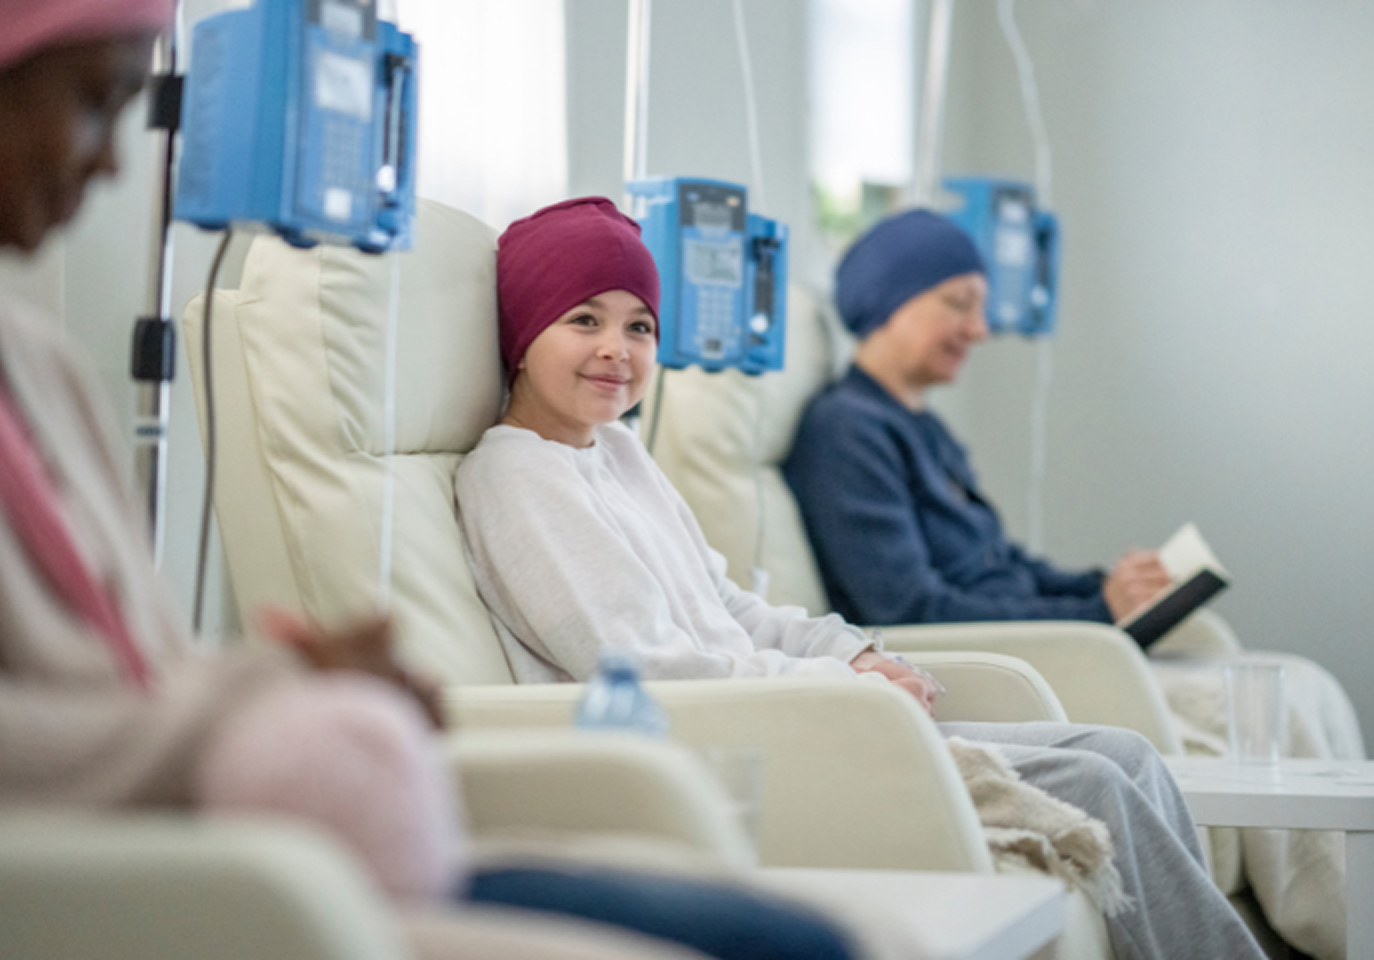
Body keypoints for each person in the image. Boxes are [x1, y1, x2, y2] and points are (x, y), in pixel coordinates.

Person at [0, 6, 862, 959]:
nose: (117, 166)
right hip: (158, 866)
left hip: (227, 825)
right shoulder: (517, 477)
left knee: (784, 936)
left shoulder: (41, 368)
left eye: (641, 328)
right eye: (90, 103)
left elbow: (136, 676)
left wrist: (291, 678)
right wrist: (259, 693)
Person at [454, 196, 1268, 960]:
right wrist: (834, 687)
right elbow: (643, 667)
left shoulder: (619, 452)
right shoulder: (516, 476)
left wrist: (849, 657)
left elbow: (726, 605)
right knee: (1093, 778)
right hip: (727, 744)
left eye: (639, 326)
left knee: (1122, 750)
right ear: (524, 334)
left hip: (795, 707)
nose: (615, 348)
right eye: (582, 320)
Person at [782, 209, 1172, 636]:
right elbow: (909, 612)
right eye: (959, 304)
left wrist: (1110, 588)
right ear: (887, 303)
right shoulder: (846, 432)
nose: (979, 330)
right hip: (967, 667)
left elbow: (998, 562)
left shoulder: (924, 428)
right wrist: (1097, 615)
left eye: (981, 309)